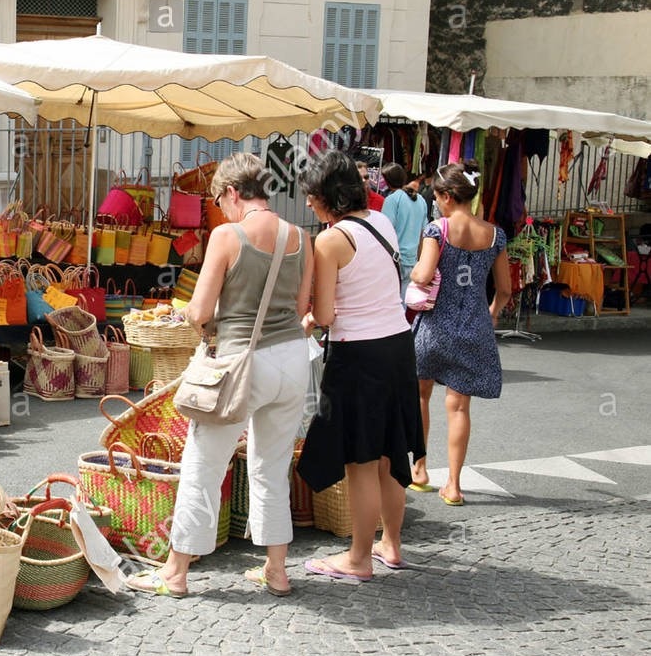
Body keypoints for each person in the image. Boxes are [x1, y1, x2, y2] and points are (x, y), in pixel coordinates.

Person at [126, 153, 312, 598]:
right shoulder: (301, 237)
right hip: (292, 358)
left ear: (231, 193)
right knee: (272, 466)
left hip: (240, 362)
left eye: (217, 201)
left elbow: (200, 310)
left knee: (203, 465)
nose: (220, 210)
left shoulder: (228, 236)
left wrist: (201, 321)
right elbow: (302, 308)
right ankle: (277, 570)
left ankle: (175, 573)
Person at [296, 150, 425, 578]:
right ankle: (392, 545)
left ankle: (358, 558)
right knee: (390, 454)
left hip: (359, 355)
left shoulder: (331, 240)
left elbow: (325, 314)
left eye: (312, 195)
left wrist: (309, 320)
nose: (308, 203)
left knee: (361, 461)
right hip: (398, 347)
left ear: (327, 195)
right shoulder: (381, 221)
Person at [409, 161, 511, 505]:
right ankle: (453, 485)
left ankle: (420, 470)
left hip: (435, 325)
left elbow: (423, 275)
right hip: (474, 326)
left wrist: (414, 275)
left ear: (448, 197)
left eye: (437, 197)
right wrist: (491, 314)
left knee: (421, 394)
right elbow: (505, 290)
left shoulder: (437, 230)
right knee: (459, 407)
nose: (436, 203)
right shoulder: (494, 235)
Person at [380, 162, 429, 293]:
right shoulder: (420, 200)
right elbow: (423, 233)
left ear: (387, 181)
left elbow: (385, 232)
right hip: (413, 261)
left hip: (395, 261)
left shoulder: (392, 200)